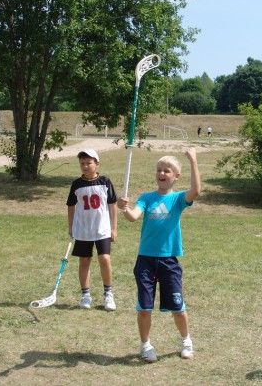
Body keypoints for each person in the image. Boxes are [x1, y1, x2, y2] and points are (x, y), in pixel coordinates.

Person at [117, 148, 201, 363]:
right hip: (145, 260)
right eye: (159, 170)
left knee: (178, 307)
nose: (161, 174)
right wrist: (124, 209)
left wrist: (192, 160)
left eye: (167, 171)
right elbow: (133, 217)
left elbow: (196, 191)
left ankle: (186, 342)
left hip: (169, 260)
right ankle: (145, 345)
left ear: (175, 176)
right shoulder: (146, 198)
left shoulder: (178, 199)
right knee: (144, 308)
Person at [67, 149, 118, 311]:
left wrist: (114, 228)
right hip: (83, 230)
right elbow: (71, 205)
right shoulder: (77, 184)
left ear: (97, 164)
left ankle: (108, 294)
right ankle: (85, 295)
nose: (85, 166)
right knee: (84, 261)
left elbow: (112, 205)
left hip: (102, 229)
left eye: (89, 163)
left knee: (104, 258)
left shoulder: (105, 182)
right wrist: (71, 227)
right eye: (82, 163)